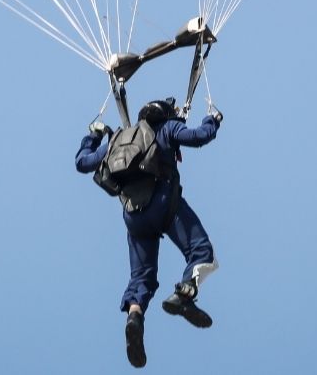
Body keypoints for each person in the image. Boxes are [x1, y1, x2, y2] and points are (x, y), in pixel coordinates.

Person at [75, 97, 223, 368]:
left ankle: (135, 316)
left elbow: (83, 163)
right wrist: (212, 120)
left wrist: (93, 136)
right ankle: (185, 293)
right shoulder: (167, 128)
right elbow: (200, 136)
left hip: (134, 216)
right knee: (201, 251)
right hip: (163, 204)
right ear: (165, 114)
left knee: (141, 277)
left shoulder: (118, 138)